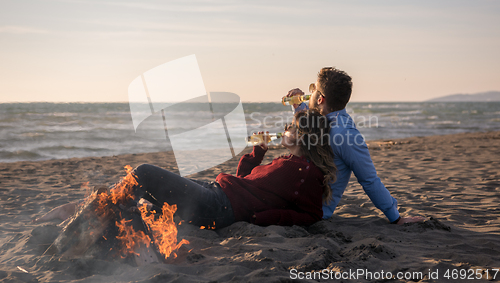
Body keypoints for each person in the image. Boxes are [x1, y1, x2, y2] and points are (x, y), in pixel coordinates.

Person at [34, 109, 337, 229]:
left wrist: (262, 218)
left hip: (220, 207)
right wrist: (257, 152)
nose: (285, 128)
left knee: (145, 172)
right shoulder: (290, 163)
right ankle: (94, 210)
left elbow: (310, 216)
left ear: (303, 136)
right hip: (217, 192)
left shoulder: (304, 173)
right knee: (144, 193)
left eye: (291, 126)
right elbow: (244, 180)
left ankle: (93, 215)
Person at [286, 67, 424, 225]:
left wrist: (396, 218)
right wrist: (297, 106)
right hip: (295, 199)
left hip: (308, 210)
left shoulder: (346, 134)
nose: (309, 93)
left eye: (313, 89)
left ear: (320, 99)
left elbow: (369, 180)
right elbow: (309, 123)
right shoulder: (335, 124)